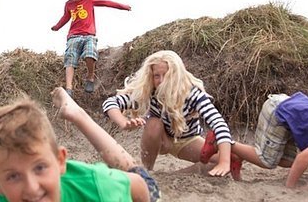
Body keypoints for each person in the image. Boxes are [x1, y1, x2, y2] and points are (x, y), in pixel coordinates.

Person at [0, 87, 161, 202]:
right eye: (13, 177)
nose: (32, 188)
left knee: (130, 168)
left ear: (60, 161)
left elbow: (138, 185)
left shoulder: (96, 187)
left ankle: (77, 114)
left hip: (135, 187)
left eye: (40, 168)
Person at [102, 50, 241, 180]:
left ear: (176, 75)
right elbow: (110, 103)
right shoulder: (149, 92)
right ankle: (147, 171)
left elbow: (219, 123)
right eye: (157, 75)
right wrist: (123, 122)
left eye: (166, 75)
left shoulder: (192, 94)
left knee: (228, 158)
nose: (161, 80)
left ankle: (172, 176)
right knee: (154, 123)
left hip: (188, 141)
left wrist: (224, 161)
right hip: (162, 140)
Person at [212, 92, 308, 188]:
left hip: (291, 111)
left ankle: (237, 154)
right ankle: (224, 142)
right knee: (267, 161)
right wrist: (290, 188)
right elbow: (304, 158)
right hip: (278, 111)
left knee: (289, 162)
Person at [51, 0, 130, 96]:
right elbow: (66, 17)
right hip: (73, 36)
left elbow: (106, 2)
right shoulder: (68, 4)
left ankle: (90, 76)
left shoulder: (89, 0)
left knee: (89, 54)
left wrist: (123, 6)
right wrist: (57, 26)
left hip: (89, 35)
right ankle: (69, 88)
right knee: (70, 58)